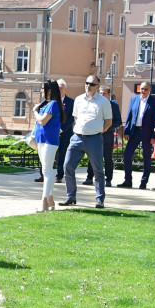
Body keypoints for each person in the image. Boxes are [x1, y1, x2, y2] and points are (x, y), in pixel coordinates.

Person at [60, 75, 112, 209]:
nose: (88, 86)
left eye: (91, 84)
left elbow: (108, 122)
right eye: (86, 83)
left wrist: (98, 130)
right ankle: (71, 196)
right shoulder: (78, 99)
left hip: (94, 138)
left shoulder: (103, 102)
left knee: (98, 170)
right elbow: (76, 117)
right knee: (68, 166)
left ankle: (100, 199)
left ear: (97, 87)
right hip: (77, 137)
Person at [118, 81, 155, 188]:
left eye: (145, 89)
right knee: (127, 154)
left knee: (147, 157)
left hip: (147, 133)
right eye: (141, 89)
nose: (143, 91)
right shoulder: (134, 99)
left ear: (149, 90)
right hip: (135, 131)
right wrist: (127, 131)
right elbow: (130, 116)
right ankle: (128, 180)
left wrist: (153, 136)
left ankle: (144, 182)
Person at [33, 79, 64, 212]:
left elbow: (42, 121)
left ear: (49, 91)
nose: (41, 91)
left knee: (46, 170)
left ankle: (44, 201)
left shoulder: (53, 104)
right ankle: (50, 199)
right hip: (42, 139)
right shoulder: (46, 104)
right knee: (47, 170)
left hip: (49, 141)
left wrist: (35, 111)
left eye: (43, 88)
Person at [85, 84, 121, 187]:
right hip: (94, 135)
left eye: (104, 93)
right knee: (92, 156)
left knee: (107, 158)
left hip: (107, 135)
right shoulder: (94, 104)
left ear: (109, 95)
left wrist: (107, 127)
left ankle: (108, 179)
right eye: (100, 93)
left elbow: (117, 121)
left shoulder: (114, 106)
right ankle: (89, 177)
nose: (101, 95)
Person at [53, 79, 75, 183]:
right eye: (57, 87)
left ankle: (59, 175)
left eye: (61, 88)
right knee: (50, 153)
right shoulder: (51, 101)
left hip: (65, 133)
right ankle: (43, 175)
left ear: (65, 89)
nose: (59, 90)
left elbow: (71, 118)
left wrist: (61, 129)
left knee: (62, 154)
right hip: (52, 132)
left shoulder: (71, 102)